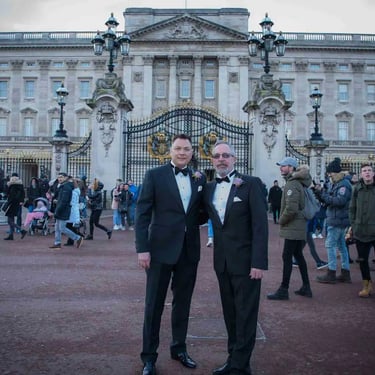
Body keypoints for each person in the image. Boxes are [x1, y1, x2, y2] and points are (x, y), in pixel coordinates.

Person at [135, 134, 206, 375]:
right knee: (153, 304)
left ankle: (179, 348)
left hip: (189, 250)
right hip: (159, 249)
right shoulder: (154, 175)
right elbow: (142, 213)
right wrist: (142, 248)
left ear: (192, 152)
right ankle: (149, 357)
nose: (182, 152)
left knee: (183, 303)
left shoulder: (200, 177)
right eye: (178, 149)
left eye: (186, 149)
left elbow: (201, 212)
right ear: (170, 151)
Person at [204, 140, 268, 375]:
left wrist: (258, 263)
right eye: (217, 156)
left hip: (247, 263)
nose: (221, 159)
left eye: (225, 155)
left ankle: (241, 365)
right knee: (230, 313)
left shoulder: (251, 184)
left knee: (246, 314)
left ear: (234, 159)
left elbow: (260, 226)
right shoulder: (210, 188)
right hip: (221, 263)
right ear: (212, 160)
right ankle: (235, 359)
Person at [267, 159, 313, 300]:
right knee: (298, 255)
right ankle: (306, 287)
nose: (281, 168)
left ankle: (283, 289)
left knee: (287, 257)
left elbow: (291, 209)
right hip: (298, 225)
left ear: (291, 168)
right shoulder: (296, 182)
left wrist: (281, 220)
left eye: (284, 166)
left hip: (293, 226)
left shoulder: (292, 184)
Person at [315, 158, 352, 284]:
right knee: (341, 246)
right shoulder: (337, 183)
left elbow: (339, 201)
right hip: (336, 218)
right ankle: (345, 272)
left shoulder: (343, 185)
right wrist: (320, 194)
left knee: (330, 245)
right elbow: (330, 198)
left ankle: (331, 272)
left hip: (337, 219)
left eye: (330, 173)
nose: (329, 175)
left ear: (335, 173)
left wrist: (324, 196)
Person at [349, 163, 375, 297]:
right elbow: (352, 208)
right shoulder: (356, 188)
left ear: (373, 173)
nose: (367, 173)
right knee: (363, 260)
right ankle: (367, 286)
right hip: (361, 230)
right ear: (361, 174)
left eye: (369, 170)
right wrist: (354, 224)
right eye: (364, 171)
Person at [49, 173, 84, 249]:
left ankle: (77, 238)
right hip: (61, 208)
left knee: (62, 228)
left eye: (61, 177)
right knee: (57, 227)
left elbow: (64, 201)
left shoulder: (66, 187)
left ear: (65, 178)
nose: (59, 179)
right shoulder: (63, 186)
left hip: (63, 210)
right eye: (58, 177)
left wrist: (57, 210)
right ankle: (57, 242)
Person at [3, 173, 27, 240]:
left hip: (12, 204)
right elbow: (22, 194)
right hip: (16, 204)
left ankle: (21, 230)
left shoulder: (13, 186)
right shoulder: (20, 185)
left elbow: (11, 195)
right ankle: (11, 235)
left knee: (10, 220)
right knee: (11, 219)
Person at [64, 177, 84, 247]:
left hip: (72, 210)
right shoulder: (76, 190)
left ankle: (78, 237)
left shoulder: (74, 191)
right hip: (72, 210)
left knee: (70, 226)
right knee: (70, 226)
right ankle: (71, 240)